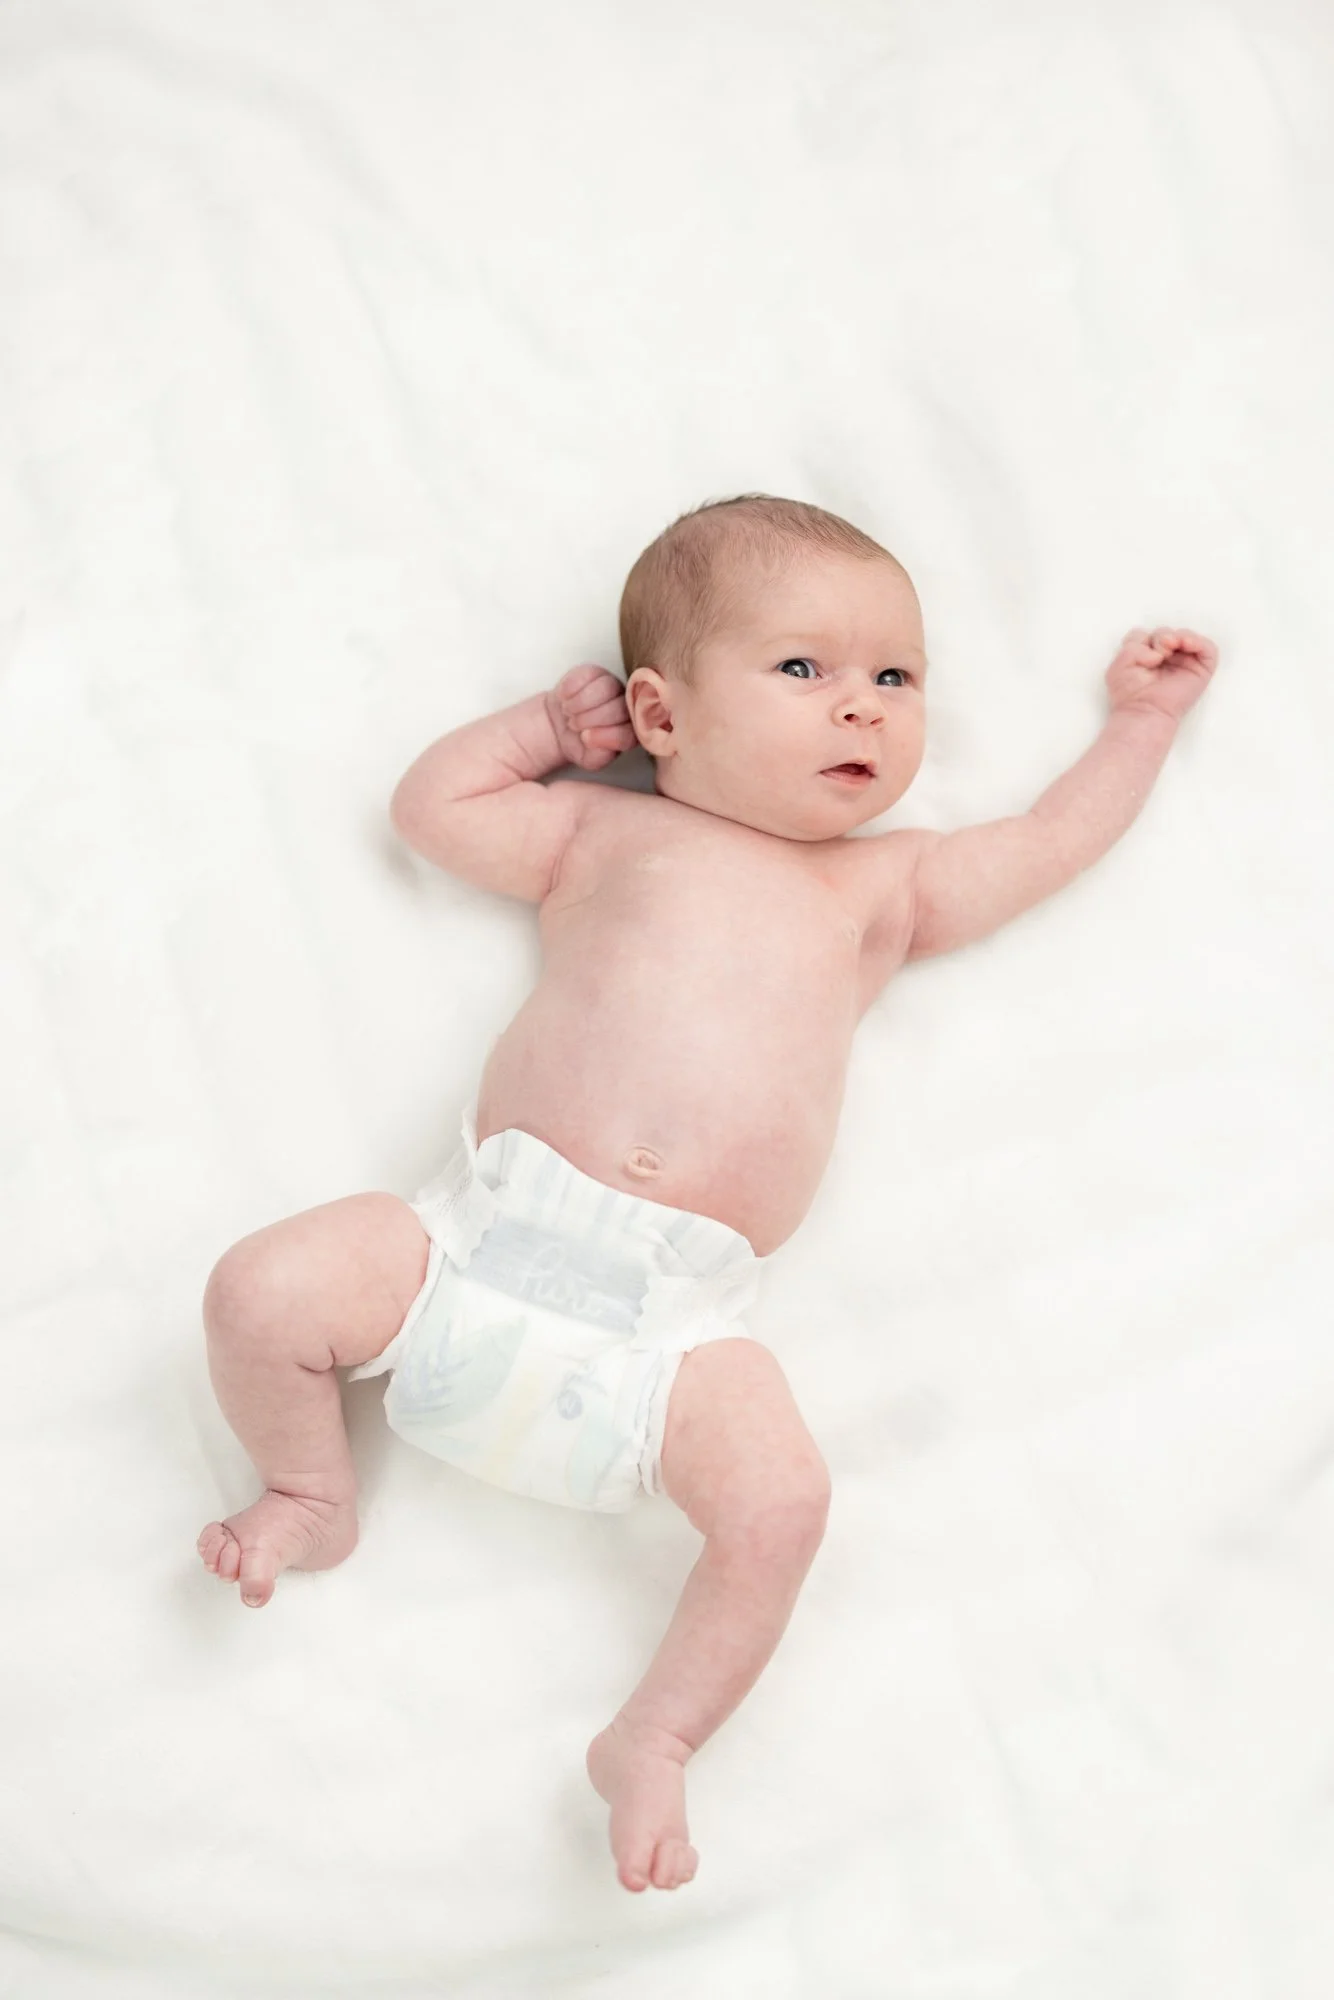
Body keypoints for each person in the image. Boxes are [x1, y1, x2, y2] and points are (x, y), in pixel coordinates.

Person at [196, 492, 1219, 1894]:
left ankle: (655, 1736)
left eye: (894, 678)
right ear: (661, 715)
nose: (858, 709)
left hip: (662, 1337)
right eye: (803, 669)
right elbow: (430, 812)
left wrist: (1137, 728)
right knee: (260, 1290)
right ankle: (306, 1489)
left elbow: (1045, 843)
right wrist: (541, 740)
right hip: (465, 1246)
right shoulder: (596, 839)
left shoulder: (882, 890)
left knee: (782, 1509)